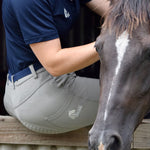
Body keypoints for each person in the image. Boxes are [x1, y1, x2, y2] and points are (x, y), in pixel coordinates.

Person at [2, 0, 109, 134]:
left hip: (41, 85)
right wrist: (110, 43)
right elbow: (54, 64)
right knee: (138, 98)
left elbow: (115, 9)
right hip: (37, 94)